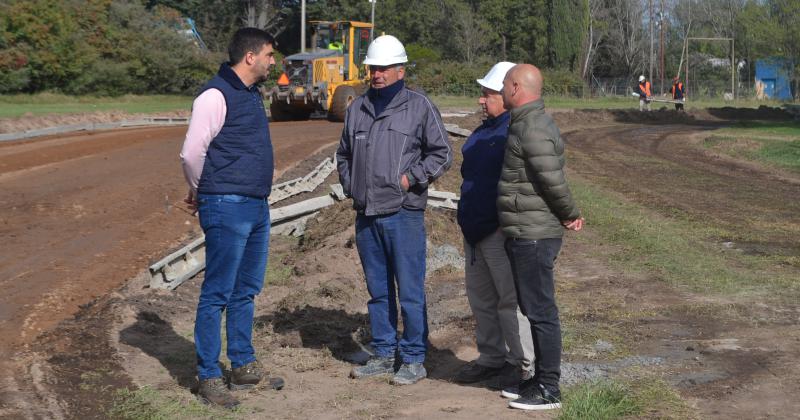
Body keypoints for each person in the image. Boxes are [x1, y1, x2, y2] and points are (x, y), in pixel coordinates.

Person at [336, 34, 452, 386]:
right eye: (373, 68)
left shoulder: (419, 106)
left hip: (403, 214)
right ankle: (385, 353)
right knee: (378, 290)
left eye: (384, 68)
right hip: (366, 213)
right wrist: (351, 184)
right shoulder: (358, 108)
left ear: (401, 69)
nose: (377, 74)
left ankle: (414, 357)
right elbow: (343, 155)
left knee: (410, 290)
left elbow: (442, 153)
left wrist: (409, 179)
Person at [180, 27, 284, 409]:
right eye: (270, 54)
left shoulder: (251, 94)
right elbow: (192, 152)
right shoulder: (214, 95)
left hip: (255, 204)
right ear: (251, 57)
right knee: (217, 293)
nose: (274, 61)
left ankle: (242, 365)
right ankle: (209, 375)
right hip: (226, 204)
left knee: (246, 289)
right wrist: (200, 190)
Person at [496, 64, 584, 411]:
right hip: (524, 232)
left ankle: (549, 388)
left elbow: (552, 180)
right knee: (534, 310)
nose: (501, 89)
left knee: (542, 311)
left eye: (504, 84)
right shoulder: (524, 122)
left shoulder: (532, 127)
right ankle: (537, 381)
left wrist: (570, 214)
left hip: (534, 235)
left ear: (516, 87)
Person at [454, 62, 535, 389]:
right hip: (474, 231)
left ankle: (522, 365)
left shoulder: (514, 132)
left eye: (487, 94)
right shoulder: (483, 130)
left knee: (510, 301)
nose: (481, 100)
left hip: (499, 232)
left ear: (505, 94)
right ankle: (491, 358)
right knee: (481, 299)